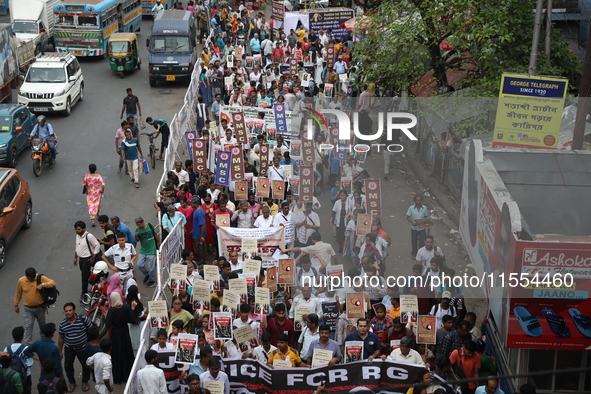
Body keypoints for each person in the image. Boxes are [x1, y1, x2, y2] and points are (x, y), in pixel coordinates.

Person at [14, 268, 57, 346]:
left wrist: (43, 284)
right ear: (27, 277)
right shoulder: (21, 281)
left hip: (40, 307)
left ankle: (44, 341)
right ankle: (27, 345)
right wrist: (16, 304)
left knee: (42, 325)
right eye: (31, 278)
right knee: (28, 326)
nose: (33, 278)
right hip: (28, 309)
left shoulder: (39, 278)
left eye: (34, 277)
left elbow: (53, 283)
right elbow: (18, 293)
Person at [58, 302, 93, 393]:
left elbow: (92, 330)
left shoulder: (83, 319)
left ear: (74, 311)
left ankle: (85, 382)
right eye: (66, 311)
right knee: (68, 366)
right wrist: (60, 351)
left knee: (86, 365)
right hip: (69, 349)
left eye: (70, 310)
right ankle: (72, 382)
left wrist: (92, 345)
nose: (68, 312)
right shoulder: (63, 324)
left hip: (83, 348)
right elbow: (61, 337)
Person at [105, 293, 138, 384]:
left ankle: (118, 376)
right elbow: (131, 319)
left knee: (117, 353)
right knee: (126, 351)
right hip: (125, 332)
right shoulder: (126, 307)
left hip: (116, 334)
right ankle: (128, 374)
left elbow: (108, 324)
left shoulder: (112, 310)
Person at [73, 221, 101, 301]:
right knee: (86, 274)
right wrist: (75, 257)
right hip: (81, 259)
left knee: (84, 278)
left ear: (84, 229)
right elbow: (77, 247)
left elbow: (97, 246)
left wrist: (93, 257)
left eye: (78, 229)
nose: (77, 231)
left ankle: (84, 294)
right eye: (76, 229)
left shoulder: (89, 236)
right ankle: (95, 282)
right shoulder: (78, 236)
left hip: (87, 259)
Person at [4, 327, 33, 394]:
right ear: (22, 336)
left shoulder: (7, 349)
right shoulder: (26, 348)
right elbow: (30, 363)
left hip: (10, 375)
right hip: (25, 376)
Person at [135, 217, 160, 288]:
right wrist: (136, 235)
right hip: (143, 250)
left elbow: (155, 234)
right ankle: (147, 274)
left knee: (151, 268)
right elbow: (137, 240)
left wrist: (159, 242)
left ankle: (152, 280)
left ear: (143, 222)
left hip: (152, 249)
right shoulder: (137, 229)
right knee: (140, 264)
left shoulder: (150, 225)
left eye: (139, 224)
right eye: (137, 225)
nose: (138, 226)